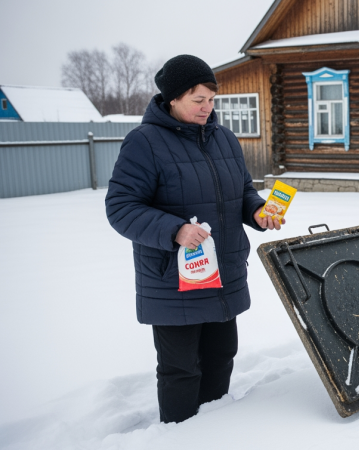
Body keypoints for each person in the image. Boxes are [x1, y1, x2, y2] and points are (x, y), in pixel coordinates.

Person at [105, 55, 282, 423]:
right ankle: (180, 437)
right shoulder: (144, 142)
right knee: (181, 370)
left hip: (223, 274)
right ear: (171, 99)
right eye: (197, 100)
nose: (207, 108)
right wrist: (175, 230)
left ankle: (213, 433)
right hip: (174, 280)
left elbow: (241, 191)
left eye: (211, 99)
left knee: (221, 359)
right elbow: (121, 207)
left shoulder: (224, 139)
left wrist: (257, 212)